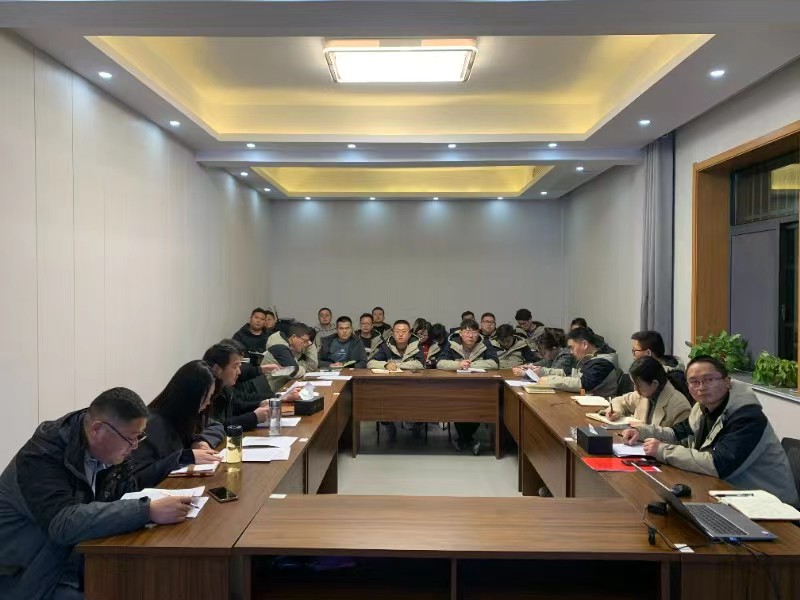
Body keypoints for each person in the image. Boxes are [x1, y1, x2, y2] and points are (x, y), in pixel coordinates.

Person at [0, 388, 192, 599]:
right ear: (97, 429)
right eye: (131, 438)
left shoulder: (109, 450)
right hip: (30, 579)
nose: (135, 446)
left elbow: (126, 491)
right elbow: (63, 524)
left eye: (139, 437)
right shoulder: (41, 456)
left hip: (78, 561)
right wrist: (146, 510)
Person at [622, 356, 799, 506]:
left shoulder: (747, 418)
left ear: (727, 382)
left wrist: (662, 450)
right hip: (728, 495)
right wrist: (642, 432)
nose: (701, 387)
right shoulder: (702, 408)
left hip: (772, 509)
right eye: (694, 382)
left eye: (709, 380)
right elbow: (677, 433)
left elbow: (718, 465)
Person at [131, 361, 225, 473]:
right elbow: (138, 475)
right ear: (190, 396)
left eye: (210, 396)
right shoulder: (152, 425)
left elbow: (216, 425)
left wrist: (201, 441)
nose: (208, 402)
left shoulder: (186, 417)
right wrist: (184, 457)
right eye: (206, 397)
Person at [437, 319, 500, 455]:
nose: (471, 335)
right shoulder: (452, 343)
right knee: (458, 406)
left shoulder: (484, 343)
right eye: (467, 332)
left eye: (474, 332)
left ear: (478, 333)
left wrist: (470, 364)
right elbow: (440, 363)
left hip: (478, 387)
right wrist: (458, 365)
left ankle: (463, 439)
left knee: (477, 406)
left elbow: (494, 363)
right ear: (461, 333)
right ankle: (468, 439)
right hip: (456, 387)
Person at [368, 320, 425, 442]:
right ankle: (389, 426)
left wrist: (397, 365)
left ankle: (417, 426)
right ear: (393, 333)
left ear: (409, 334)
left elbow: (420, 364)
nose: (400, 334)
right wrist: (385, 365)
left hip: (414, 388)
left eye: (404, 331)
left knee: (424, 401)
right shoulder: (386, 346)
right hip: (391, 388)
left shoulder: (417, 346)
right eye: (397, 331)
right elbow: (371, 363)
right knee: (380, 401)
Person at [605, 356, 691, 427]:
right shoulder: (643, 393)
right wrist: (616, 411)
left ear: (654, 383)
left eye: (638, 385)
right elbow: (618, 401)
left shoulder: (680, 406)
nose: (635, 389)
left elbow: (679, 438)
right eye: (634, 384)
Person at [203, 342, 270, 431]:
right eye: (235, 367)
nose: (239, 372)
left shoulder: (225, 388)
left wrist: (260, 404)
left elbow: (239, 406)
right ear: (217, 369)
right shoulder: (204, 394)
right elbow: (215, 426)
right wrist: (253, 417)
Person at [536, 327, 618, 396]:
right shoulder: (588, 358)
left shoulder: (602, 362)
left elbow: (582, 383)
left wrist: (550, 380)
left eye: (572, 347)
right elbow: (570, 375)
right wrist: (542, 372)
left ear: (584, 344)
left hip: (600, 407)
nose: (571, 352)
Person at [629, 330, 691, 401]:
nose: (633, 356)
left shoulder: (673, 378)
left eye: (635, 351)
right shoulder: (648, 372)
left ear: (648, 353)